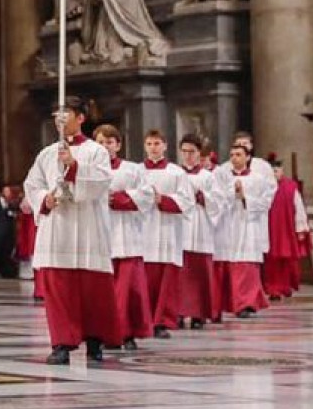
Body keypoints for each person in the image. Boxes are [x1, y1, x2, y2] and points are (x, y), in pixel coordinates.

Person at [25, 96, 122, 366]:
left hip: (88, 227)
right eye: (57, 114)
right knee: (59, 288)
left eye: (65, 113)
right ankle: (61, 343)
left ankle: (95, 340)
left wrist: (74, 166)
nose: (60, 119)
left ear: (80, 118)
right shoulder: (46, 153)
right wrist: (44, 198)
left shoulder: (96, 151)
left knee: (93, 290)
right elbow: (31, 184)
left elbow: (101, 181)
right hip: (58, 227)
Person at [94, 124, 154, 350]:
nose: (105, 147)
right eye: (100, 142)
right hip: (99, 236)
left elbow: (147, 195)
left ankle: (127, 332)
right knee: (103, 291)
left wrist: (119, 199)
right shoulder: (88, 170)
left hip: (127, 235)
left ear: (118, 145)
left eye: (109, 142)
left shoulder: (133, 169)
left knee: (129, 290)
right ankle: (102, 333)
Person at [138, 129, 194, 339]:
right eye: (150, 144)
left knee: (166, 279)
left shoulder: (176, 172)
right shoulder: (136, 171)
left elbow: (187, 201)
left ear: (165, 146)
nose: (153, 148)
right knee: (145, 279)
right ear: (145, 146)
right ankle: (144, 320)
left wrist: (163, 200)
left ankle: (161, 321)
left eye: (157, 143)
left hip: (168, 230)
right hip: (143, 230)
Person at [212, 143, 275, 320]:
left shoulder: (258, 179)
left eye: (238, 154)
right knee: (225, 263)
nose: (234, 158)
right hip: (227, 226)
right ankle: (223, 304)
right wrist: (231, 195)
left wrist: (245, 197)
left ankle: (245, 304)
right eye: (232, 155)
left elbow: (266, 203)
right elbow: (215, 199)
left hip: (248, 226)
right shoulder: (222, 177)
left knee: (246, 265)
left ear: (248, 157)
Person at [177, 134, 224, 329]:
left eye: (192, 152)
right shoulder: (175, 174)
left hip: (201, 225)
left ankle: (199, 314)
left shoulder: (208, 176)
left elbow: (219, 202)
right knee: (180, 274)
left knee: (200, 273)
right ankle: (178, 312)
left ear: (199, 154)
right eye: (185, 152)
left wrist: (203, 197)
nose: (188, 156)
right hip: (180, 227)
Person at [263, 153, 310, 300]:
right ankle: (272, 289)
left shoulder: (290, 187)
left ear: (282, 171)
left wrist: (300, 228)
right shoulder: (263, 187)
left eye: (277, 171)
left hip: (285, 229)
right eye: (272, 172)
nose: (275, 174)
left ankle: (285, 286)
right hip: (268, 230)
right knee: (270, 261)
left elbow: (299, 207)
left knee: (286, 260)